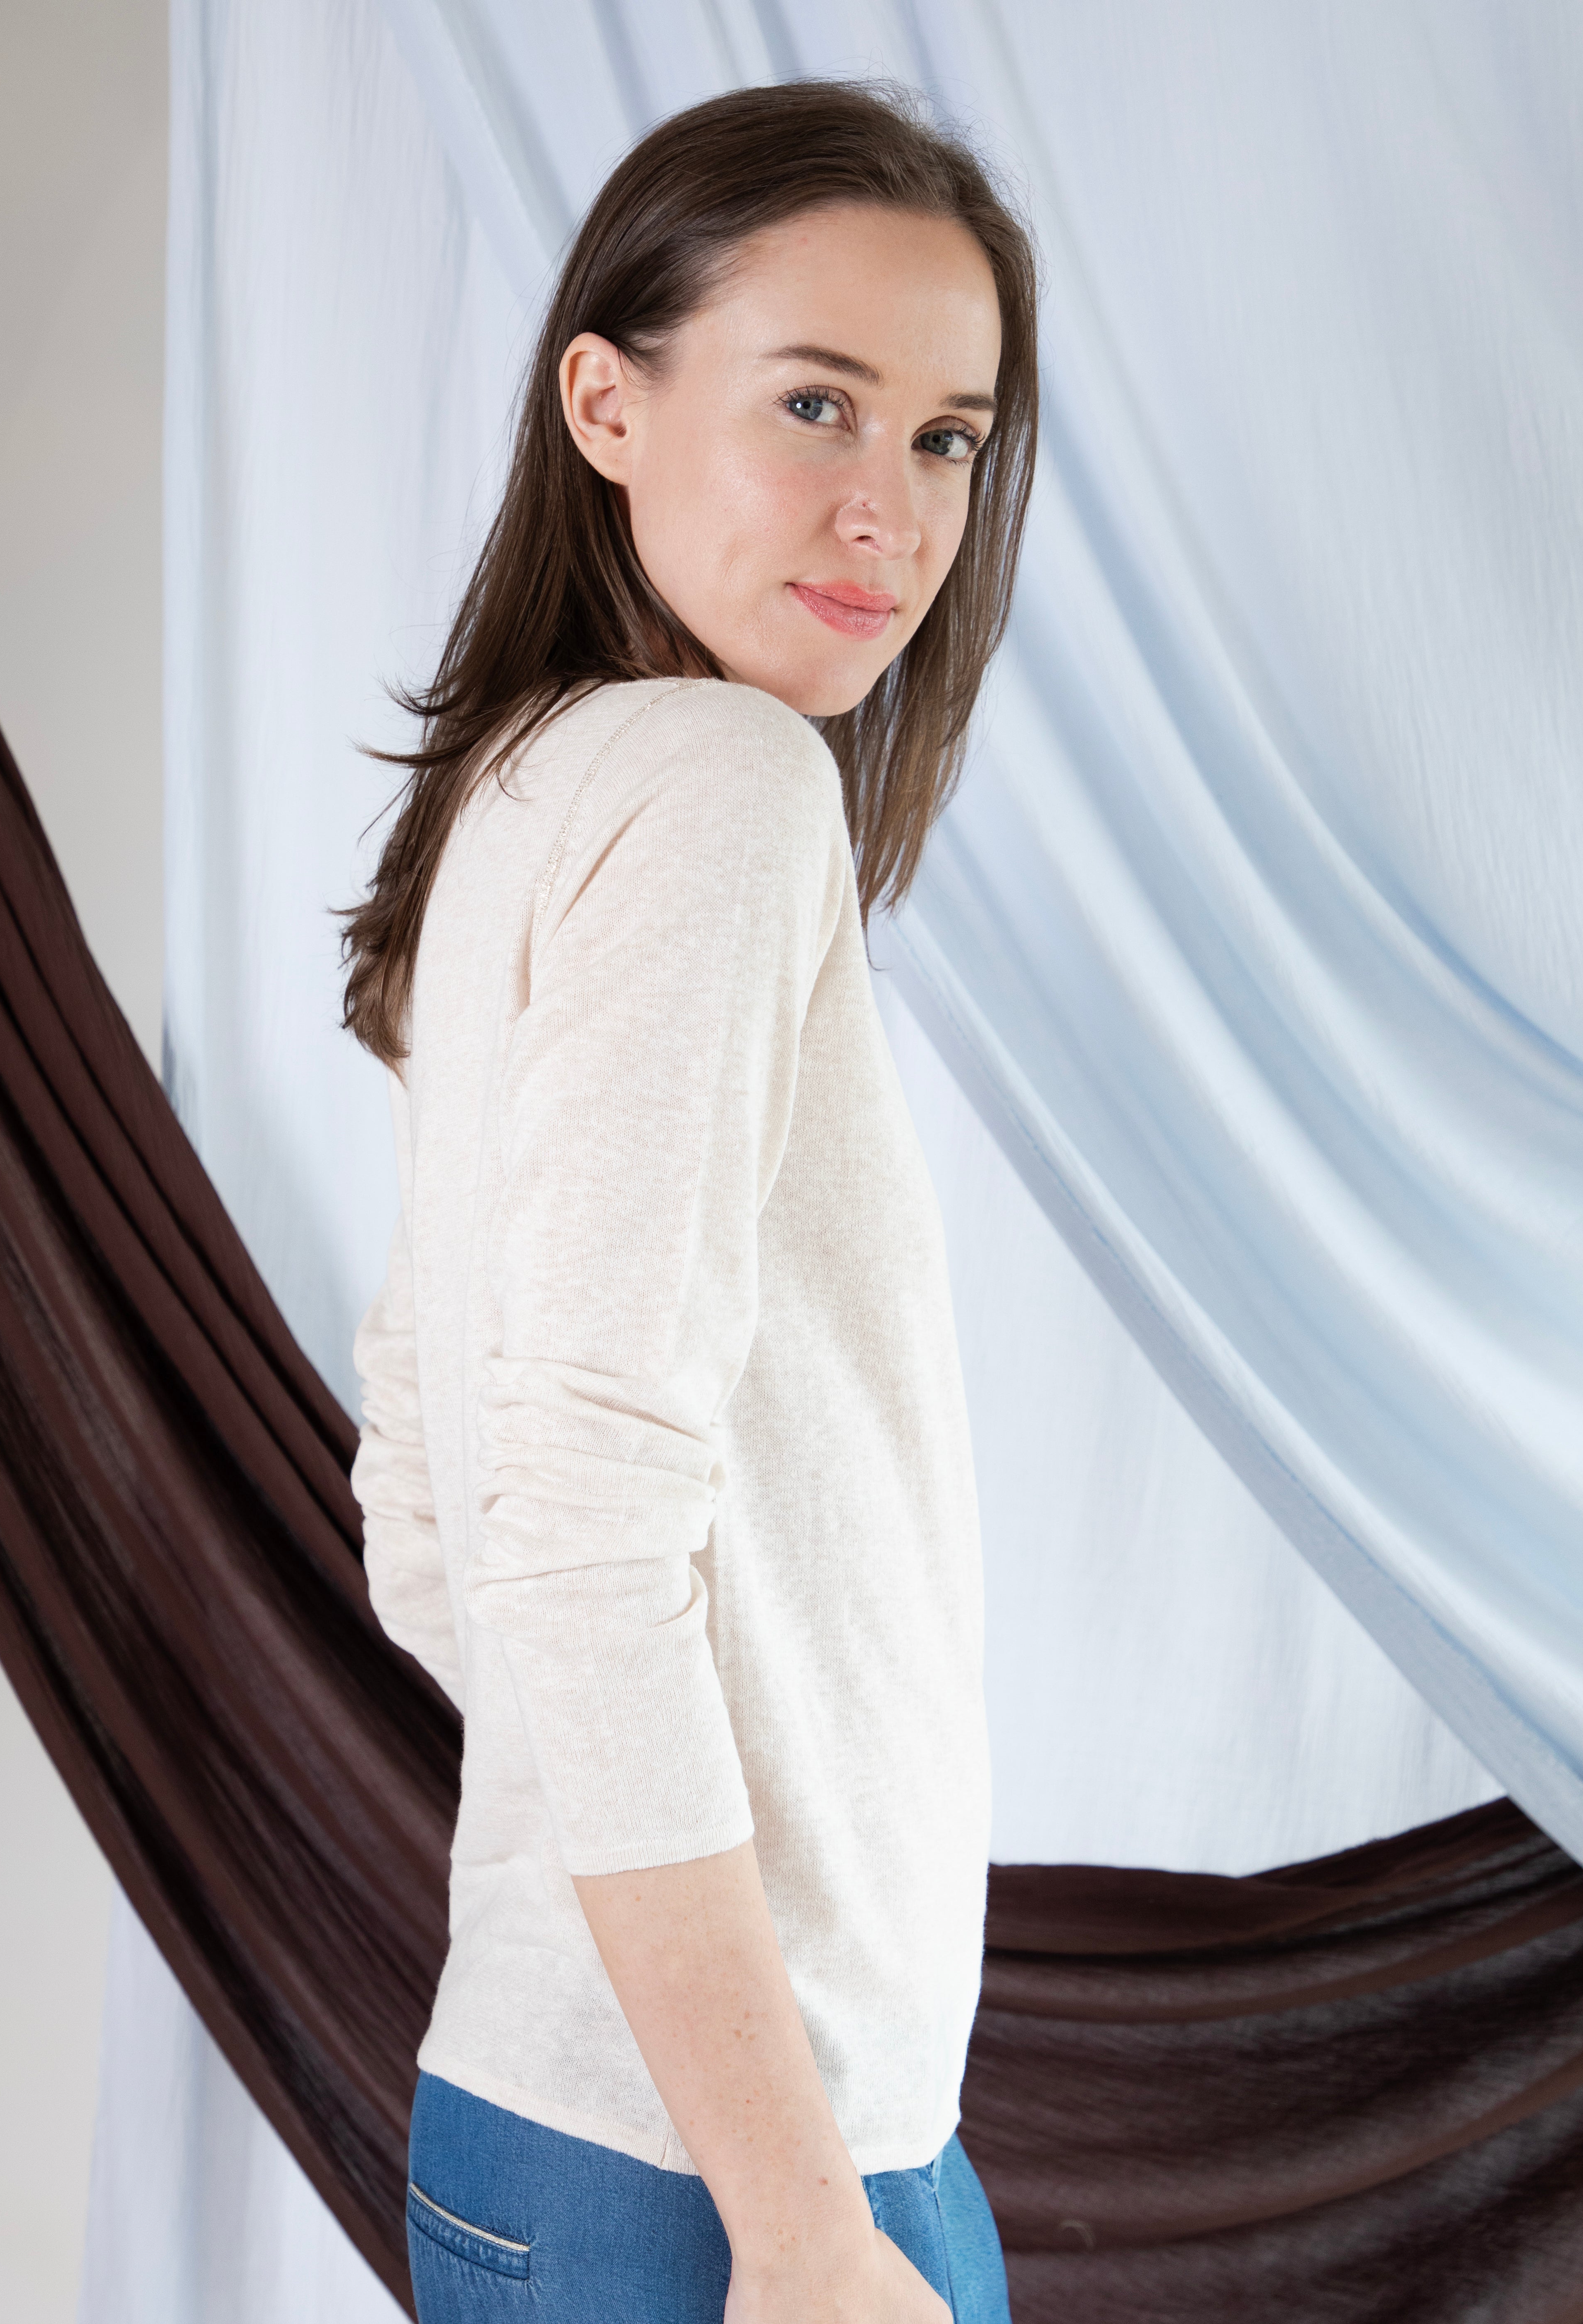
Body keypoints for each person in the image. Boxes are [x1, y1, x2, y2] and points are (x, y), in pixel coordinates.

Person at [343, 77, 1038, 2324]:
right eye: (815, 401)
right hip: (738, 2180)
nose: (890, 508)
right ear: (608, 405)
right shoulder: (724, 789)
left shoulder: (528, 790)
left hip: (567, 2119)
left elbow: (431, 1492)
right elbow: (560, 1528)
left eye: (948, 434)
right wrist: (804, 2219)